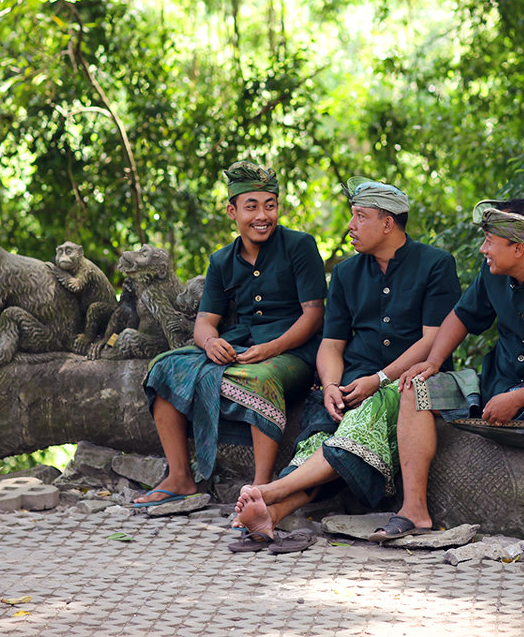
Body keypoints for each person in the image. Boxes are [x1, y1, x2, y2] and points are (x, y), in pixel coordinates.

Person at [230, 178, 460, 550]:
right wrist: (332, 385)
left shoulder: (435, 265)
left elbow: (433, 339)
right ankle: (271, 514)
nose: (350, 226)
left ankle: (269, 491)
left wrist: (381, 378)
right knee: (320, 440)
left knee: (359, 427)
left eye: (359, 217)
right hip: (354, 380)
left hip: (410, 380)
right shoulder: (347, 272)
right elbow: (331, 344)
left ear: (388, 223)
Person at [379, 198, 524, 560]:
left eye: (490, 241)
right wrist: (434, 361)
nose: (483, 249)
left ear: (518, 248)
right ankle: (414, 511)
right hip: (496, 387)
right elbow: (460, 317)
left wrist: (518, 400)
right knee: (415, 387)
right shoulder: (493, 274)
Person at [136, 161, 326, 505]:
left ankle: (260, 488)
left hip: (295, 353)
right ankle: (180, 476)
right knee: (163, 367)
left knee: (258, 378)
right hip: (241, 346)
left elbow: (313, 316)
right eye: (251, 206)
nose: (262, 216)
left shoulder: (300, 246)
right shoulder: (222, 260)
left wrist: (271, 348)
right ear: (232, 211)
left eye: (270, 205)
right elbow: (205, 322)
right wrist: (211, 343)